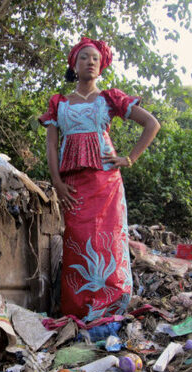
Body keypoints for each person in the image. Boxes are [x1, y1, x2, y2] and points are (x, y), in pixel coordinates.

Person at [39, 37, 160, 321]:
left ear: (101, 65)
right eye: (84, 57)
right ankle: (77, 309)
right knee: (77, 240)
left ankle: (111, 308)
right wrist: (56, 182)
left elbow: (152, 124)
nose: (90, 62)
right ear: (74, 65)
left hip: (107, 184)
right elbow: (52, 146)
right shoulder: (59, 103)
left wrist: (129, 158)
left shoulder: (110, 99)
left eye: (95, 58)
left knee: (108, 241)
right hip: (72, 187)